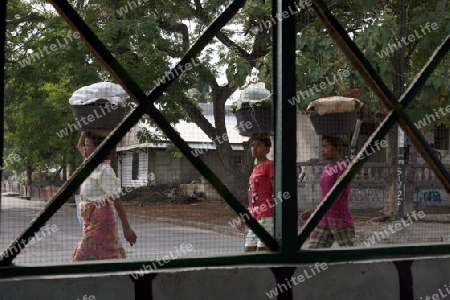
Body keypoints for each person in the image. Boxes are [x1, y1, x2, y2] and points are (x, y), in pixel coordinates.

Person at [73, 131, 137, 261]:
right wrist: (86, 130)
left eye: (88, 145)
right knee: (103, 252)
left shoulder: (104, 170)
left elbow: (116, 200)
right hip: (88, 217)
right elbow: (80, 145)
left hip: (102, 218)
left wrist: (127, 228)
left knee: (81, 255)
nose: (84, 148)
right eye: (85, 145)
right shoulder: (88, 164)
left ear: (98, 149)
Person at [300, 135, 355, 248]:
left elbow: (335, 196)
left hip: (339, 219)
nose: (322, 150)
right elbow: (326, 194)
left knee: (349, 255)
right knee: (315, 251)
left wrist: (314, 210)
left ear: (336, 148)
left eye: (325, 146)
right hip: (324, 219)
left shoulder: (343, 167)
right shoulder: (326, 168)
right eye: (322, 146)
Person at [237, 136, 274, 251]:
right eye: (252, 145)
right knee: (248, 251)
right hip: (254, 216)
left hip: (266, 215)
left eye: (258, 145)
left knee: (262, 251)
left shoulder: (269, 165)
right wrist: (245, 216)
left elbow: (277, 189)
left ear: (267, 149)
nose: (254, 148)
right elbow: (252, 197)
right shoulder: (254, 169)